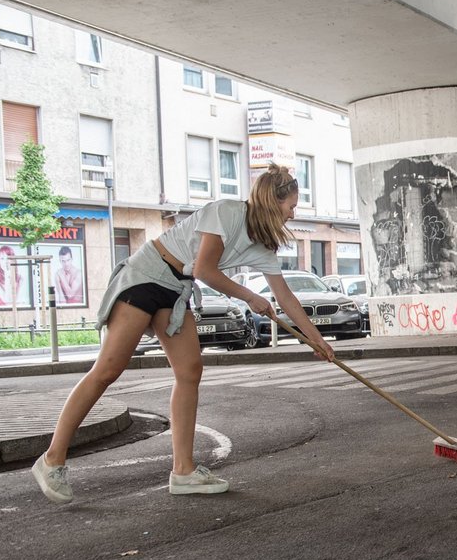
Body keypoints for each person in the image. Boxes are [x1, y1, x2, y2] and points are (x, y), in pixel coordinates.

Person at [31, 165, 336, 505]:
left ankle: (184, 471)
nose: (293, 214)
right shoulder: (228, 212)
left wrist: (317, 341)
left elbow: (286, 297)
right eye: (291, 206)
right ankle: (51, 460)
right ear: (272, 201)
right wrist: (249, 296)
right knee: (108, 370)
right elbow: (205, 269)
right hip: (148, 273)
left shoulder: (263, 247)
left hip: (176, 288)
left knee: (190, 370)